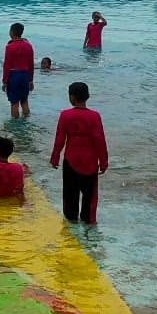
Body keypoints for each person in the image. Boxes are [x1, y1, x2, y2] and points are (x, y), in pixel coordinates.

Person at [49, 81, 108, 225]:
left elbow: (60, 139)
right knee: (90, 199)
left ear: (72, 98)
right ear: (87, 96)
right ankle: (89, 227)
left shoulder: (65, 115)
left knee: (70, 197)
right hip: (90, 162)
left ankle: (71, 225)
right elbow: (99, 140)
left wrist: (55, 157)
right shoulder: (95, 116)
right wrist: (104, 161)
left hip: (70, 161)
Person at [2, 22, 35, 119]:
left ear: (11, 32)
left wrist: (4, 81)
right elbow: (31, 64)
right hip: (25, 75)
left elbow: (6, 65)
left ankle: (15, 128)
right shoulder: (28, 46)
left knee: (14, 103)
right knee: (24, 101)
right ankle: (26, 121)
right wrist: (30, 80)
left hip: (14, 75)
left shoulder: (9, 47)